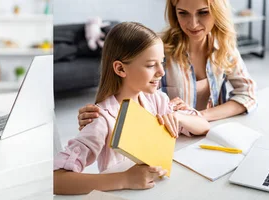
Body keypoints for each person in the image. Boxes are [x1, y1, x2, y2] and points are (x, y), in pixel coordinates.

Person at [53, 22, 210, 195]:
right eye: (151, 65)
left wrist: (179, 117)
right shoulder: (102, 119)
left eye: (161, 63)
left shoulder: (157, 100)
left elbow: (204, 127)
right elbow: (56, 180)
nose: (161, 72)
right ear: (120, 68)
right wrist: (125, 179)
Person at [77, 0, 257, 130]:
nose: (193, 24)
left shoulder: (225, 47)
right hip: (171, 141)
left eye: (203, 12)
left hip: (211, 132)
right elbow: (124, 92)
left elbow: (247, 94)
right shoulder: (157, 50)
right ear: (174, 11)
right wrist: (101, 115)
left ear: (217, 10)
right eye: (183, 13)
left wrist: (199, 117)